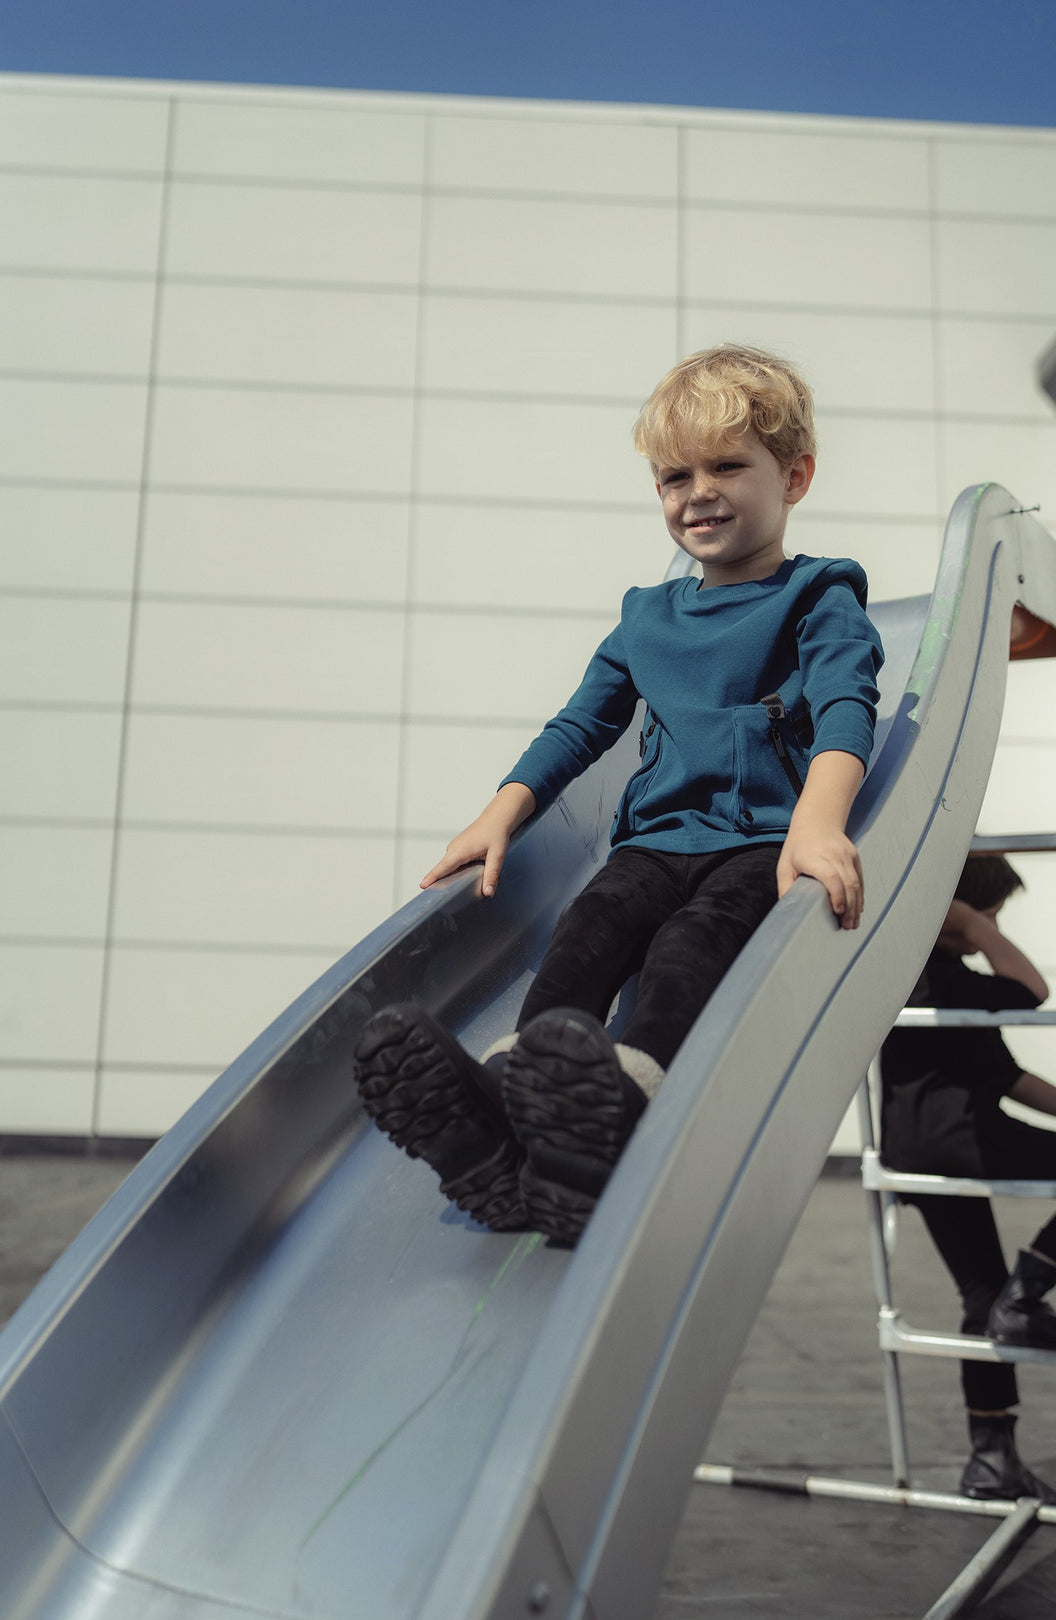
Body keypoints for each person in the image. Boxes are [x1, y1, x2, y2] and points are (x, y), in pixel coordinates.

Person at [354, 345, 884, 1245]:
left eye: (727, 466)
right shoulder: (648, 615)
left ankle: (625, 1107)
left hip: (758, 845)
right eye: (674, 476)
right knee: (584, 938)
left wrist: (819, 824)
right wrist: (501, 813)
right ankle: (512, 1117)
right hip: (652, 844)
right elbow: (580, 725)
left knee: (687, 955)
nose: (698, 492)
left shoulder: (817, 597)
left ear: (794, 477)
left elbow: (845, 709)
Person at [880, 854, 1056, 1503]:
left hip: (918, 1147)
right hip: (963, 1140)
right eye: (993, 914)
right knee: (997, 1301)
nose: (996, 927)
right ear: (961, 911)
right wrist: (973, 928)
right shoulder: (934, 973)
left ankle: (991, 1456)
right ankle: (1029, 1295)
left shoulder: (920, 971)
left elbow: (1004, 1075)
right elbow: (1033, 990)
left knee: (980, 1292)